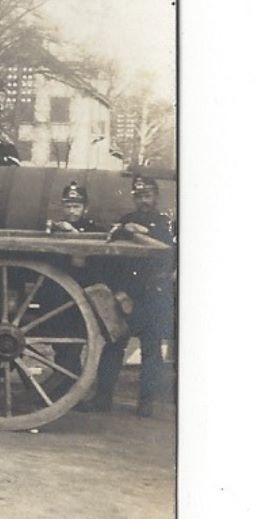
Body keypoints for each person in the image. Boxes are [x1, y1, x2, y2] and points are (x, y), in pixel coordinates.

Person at [85, 174, 176, 416]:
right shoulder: (125, 221)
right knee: (114, 346)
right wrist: (119, 293)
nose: (143, 200)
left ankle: (147, 403)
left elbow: (166, 247)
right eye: (139, 196)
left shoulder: (165, 223)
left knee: (152, 351)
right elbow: (113, 258)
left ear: (155, 197)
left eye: (147, 195)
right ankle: (102, 399)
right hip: (128, 294)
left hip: (154, 295)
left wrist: (137, 231)